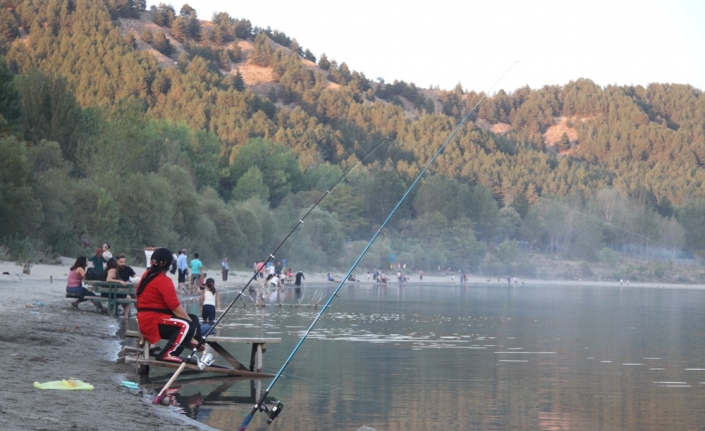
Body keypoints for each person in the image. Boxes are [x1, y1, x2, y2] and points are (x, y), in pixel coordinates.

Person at [136, 248, 203, 363]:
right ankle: (168, 353)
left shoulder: (147, 275)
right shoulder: (163, 280)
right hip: (151, 321)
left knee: (194, 318)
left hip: (150, 317)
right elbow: (175, 307)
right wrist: (191, 325)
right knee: (188, 325)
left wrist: (190, 320)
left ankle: (193, 340)